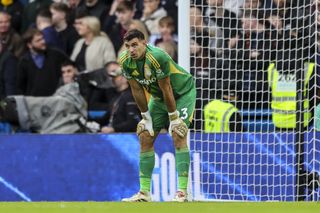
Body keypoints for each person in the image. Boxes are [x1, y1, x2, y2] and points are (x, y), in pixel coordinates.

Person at [119, 29, 196, 202]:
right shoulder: (125, 61)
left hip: (182, 93)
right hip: (160, 98)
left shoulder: (157, 57)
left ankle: (182, 192)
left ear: (144, 43)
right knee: (145, 135)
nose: (131, 50)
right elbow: (136, 89)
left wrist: (174, 118)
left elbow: (167, 88)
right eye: (128, 46)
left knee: (178, 133)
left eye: (135, 45)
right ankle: (144, 193)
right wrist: (145, 117)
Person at [96, 61, 140, 133]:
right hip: (116, 136)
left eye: (115, 77)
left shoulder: (131, 96)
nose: (112, 79)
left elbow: (133, 122)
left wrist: (113, 129)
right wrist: (93, 123)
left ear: (125, 78)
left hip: (126, 138)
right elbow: (106, 117)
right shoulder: (115, 97)